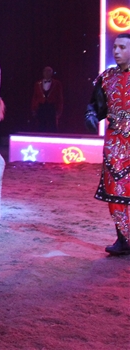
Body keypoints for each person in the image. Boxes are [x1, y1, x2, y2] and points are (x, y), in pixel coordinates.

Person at [85, 33, 130, 256]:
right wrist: (91, 115)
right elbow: (96, 105)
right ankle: (124, 239)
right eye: (115, 47)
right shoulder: (106, 78)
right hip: (115, 144)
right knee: (116, 190)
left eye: (122, 47)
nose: (116, 51)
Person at [31, 66, 63, 132]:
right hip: (41, 106)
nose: (47, 73)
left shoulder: (57, 83)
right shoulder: (38, 83)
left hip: (51, 107)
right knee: (41, 126)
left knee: (52, 126)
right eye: (45, 71)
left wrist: (59, 109)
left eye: (49, 71)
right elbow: (35, 96)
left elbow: (59, 97)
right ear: (43, 73)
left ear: (52, 73)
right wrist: (34, 108)